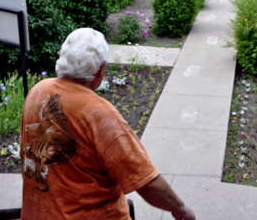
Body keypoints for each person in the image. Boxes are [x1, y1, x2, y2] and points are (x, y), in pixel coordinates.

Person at [20, 28, 196, 220]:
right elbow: (147, 182)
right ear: (101, 69)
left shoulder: (38, 91)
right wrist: (181, 210)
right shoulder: (98, 113)